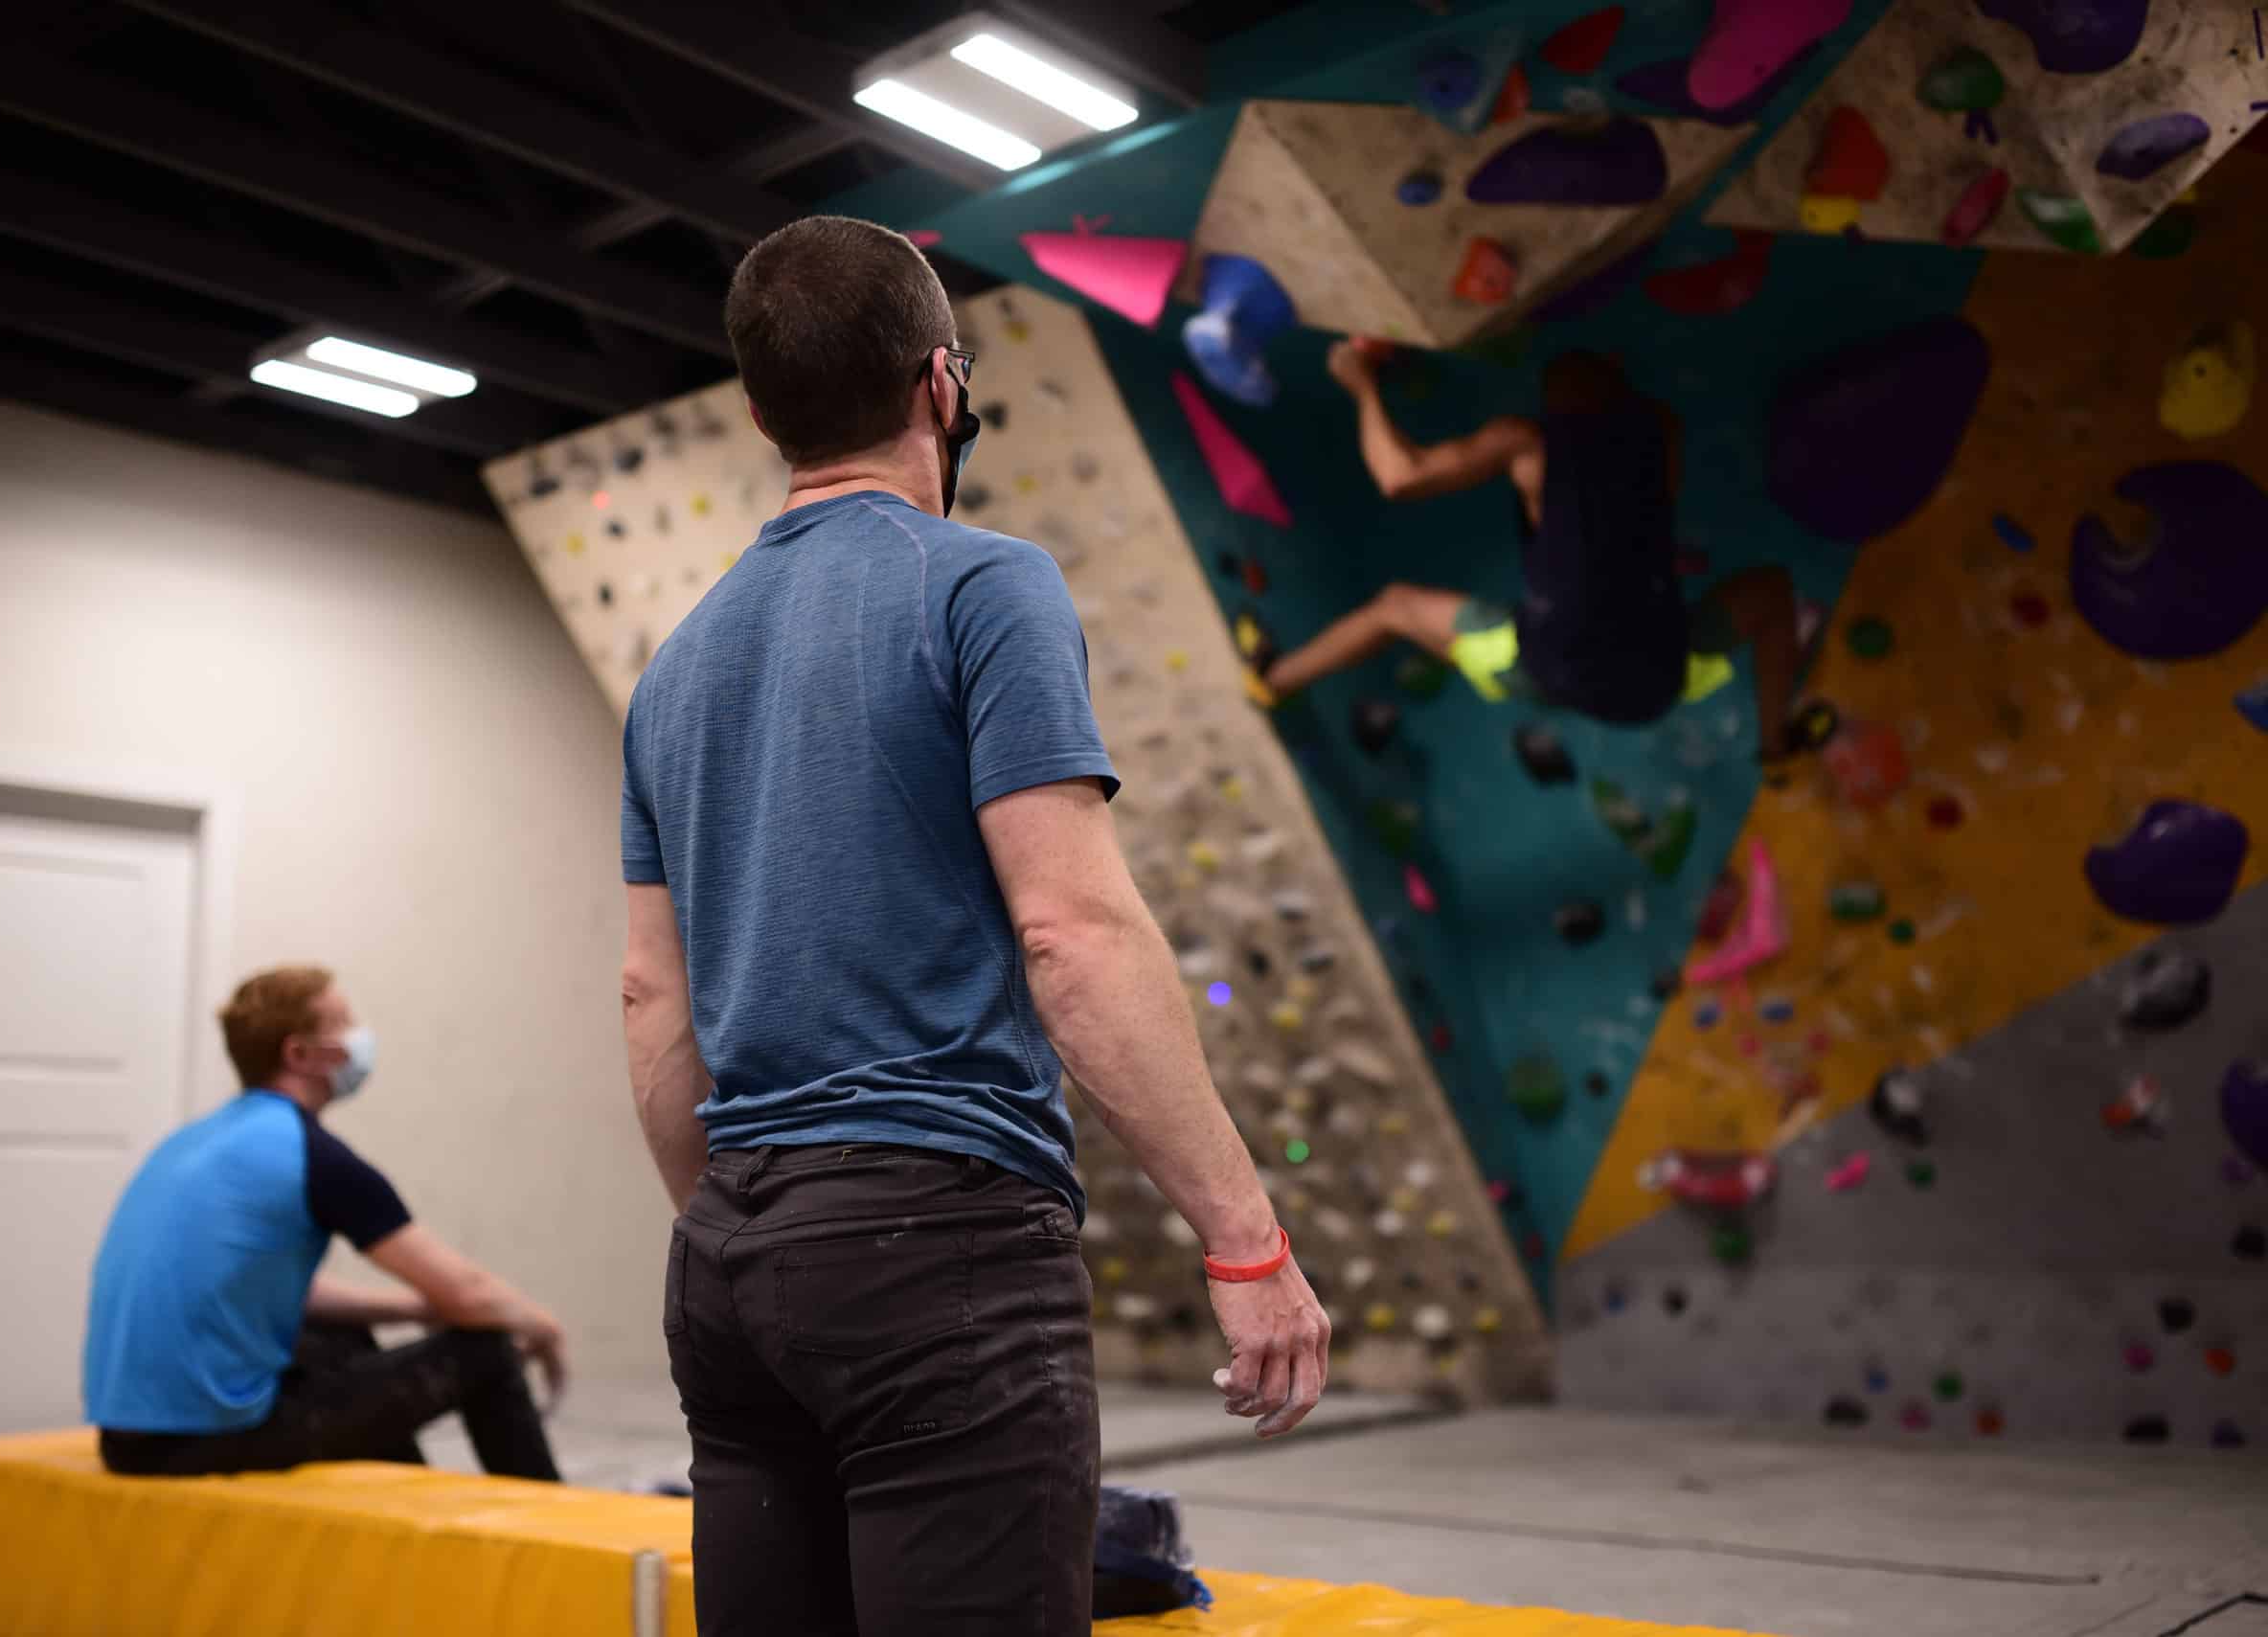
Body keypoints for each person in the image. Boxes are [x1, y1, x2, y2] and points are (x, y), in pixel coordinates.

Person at [616, 215, 1328, 1637]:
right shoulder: (982, 583)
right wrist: (1246, 1242)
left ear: (764, 415)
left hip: (730, 1262)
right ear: (944, 383)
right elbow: (1071, 932)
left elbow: (653, 1000)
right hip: (935, 1246)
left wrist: (751, 1235)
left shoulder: (676, 666)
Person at [81, 964, 566, 1482]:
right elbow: (469, 1294)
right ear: (299, 1054)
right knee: (487, 1347)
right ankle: (556, 1530)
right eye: (343, 1023)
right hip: (203, 1443)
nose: (360, 1036)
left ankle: (404, 1507)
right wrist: (544, 1330)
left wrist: (416, 1307)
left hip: (127, 1445)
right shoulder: (314, 1156)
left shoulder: (192, 1142)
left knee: (339, 1338)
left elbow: (269, 1290)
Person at [1249, 342, 1809, 759]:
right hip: (1658, 674)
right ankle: (1774, 745)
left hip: (1550, 668)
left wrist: (1360, 381)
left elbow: (1398, 477)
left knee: (1395, 606)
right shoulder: (1661, 431)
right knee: (1773, 591)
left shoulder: (1526, 443)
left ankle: (1272, 683)